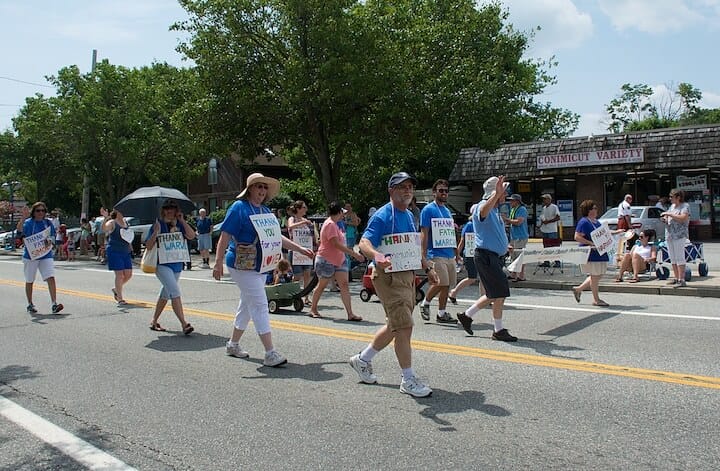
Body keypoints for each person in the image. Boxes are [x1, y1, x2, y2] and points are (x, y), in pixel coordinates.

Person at [350, 171, 438, 398]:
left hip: (407, 276)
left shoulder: (409, 215)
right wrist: (376, 256)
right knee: (405, 327)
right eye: (402, 187)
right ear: (391, 191)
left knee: (395, 325)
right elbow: (364, 242)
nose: (407, 191)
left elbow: (412, 247)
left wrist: (427, 269)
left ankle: (363, 359)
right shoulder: (382, 216)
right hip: (388, 277)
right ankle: (408, 379)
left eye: (410, 187)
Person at [214, 173, 314, 366]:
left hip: (261, 265)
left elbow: (277, 237)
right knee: (260, 304)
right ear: (249, 188)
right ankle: (270, 353)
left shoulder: (266, 211)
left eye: (264, 187)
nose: (261, 190)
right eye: (258, 186)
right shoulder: (238, 208)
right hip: (241, 264)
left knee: (247, 305)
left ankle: (233, 344)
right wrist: (218, 262)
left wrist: (300, 248)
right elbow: (225, 236)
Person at [456, 176, 517, 341]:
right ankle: (497, 330)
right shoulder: (481, 206)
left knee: (495, 292)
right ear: (494, 192)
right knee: (499, 291)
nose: (506, 194)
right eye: (503, 191)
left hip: (492, 256)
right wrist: (496, 195)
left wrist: (504, 246)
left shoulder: (496, 211)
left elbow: (493, 234)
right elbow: (482, 212)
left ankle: (468, 315)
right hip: (486, 256)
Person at [308, 201, 365, 321]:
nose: (343, 215)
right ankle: (313, 309)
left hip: (339, 259)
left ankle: (350, 314)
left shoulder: (336, 224)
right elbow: (336, 244)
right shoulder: (330, 224)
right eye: (342, 213)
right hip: (326, 260)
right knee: (322, 285)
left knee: (344, 285)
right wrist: (353, 253)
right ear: (338, 212)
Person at [145, 199, 196, 334]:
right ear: (162, 210)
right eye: (167, 208)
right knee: (175, 292)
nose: (170, 210)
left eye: (172, 207)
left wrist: (183, 221)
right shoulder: (158, 224)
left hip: (177, 264)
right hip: (162, 265)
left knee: (166, 293)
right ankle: (184, 324)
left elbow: (191, 236)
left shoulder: (179, 223)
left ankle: (154, 320)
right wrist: (156, 232)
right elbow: (148, 246)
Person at [419, 179, 459, 324]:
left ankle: (441, 313)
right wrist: (423, 254)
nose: (444, 193)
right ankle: (425, 303)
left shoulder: (447, 211)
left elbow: (450, 233)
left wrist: (457, 252)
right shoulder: (428, 210)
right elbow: (424, 232)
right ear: (434, 192)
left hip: (449, 253)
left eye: (446, 191)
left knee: (447, 285)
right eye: (441, 190)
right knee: (441, 282)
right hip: (435, 253)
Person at [17, 202, 64, 314]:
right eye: (38, 211)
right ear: (33, 212)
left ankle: (54, 303)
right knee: (30, 280)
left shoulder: (47, 223)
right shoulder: (29, 223)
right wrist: (23, 217)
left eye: (43, 211)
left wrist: (50, 243)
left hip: (45, 255)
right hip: (30, 256)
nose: (40, 213)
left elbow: (52, 236)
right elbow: (19, 231)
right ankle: (30, 304)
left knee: (50, 277)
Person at [571, 200, 612, 307]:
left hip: (599, 252)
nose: (596, 210)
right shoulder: (584, 222)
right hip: (591, 253)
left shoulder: (596, 222)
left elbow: (602, 234)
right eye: (594, 208)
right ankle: (596, 299)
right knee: (595, 275)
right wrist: (590, 243)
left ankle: (578, 289)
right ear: (589, 210)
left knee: (599, 274)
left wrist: (617, 232)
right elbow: (577, 236)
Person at [448, 205, 481, 304]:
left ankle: (484, 298)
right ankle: (454, 292)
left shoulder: (481, 224)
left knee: (484, 277)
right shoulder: (469, 225)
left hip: (481, 254)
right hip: (470, 255)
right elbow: (462, 241)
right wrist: (457, 254)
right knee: (472, 277)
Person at [287, 200, 315, 305]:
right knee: (297, 276)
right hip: (295, 252)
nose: (305, 209)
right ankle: (294, 295)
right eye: (304, 207)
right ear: (298, 209)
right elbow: (290, 227)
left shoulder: (306, 220)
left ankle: (306, 297)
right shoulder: (292, 219)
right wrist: (304, 222)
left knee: (307, 274)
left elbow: (311, 235)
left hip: (306, 250)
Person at [103, 208, 134, 305]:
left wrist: (131, 248)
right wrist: (105, 218)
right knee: (119, 275)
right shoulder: (112, 222)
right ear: (116, 212)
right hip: (114, 251)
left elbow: (128, 237)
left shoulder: (126, 223)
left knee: (128, 274)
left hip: (125, 251)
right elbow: (104, 229)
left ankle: (116, 289)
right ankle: (120, 298)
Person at [661, 189, 691, 287]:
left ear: (678, 197)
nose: (670, 199)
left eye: (672, 197)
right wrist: (665, 218)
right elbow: (669, 217)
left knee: (679, 257)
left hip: (679, 234)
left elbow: (683, 218)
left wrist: (669, 214)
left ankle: (681, 279)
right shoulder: (672, 206)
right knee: (672, 257)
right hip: (670, 234)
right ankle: (676, 277)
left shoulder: (685, 206)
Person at [502, 193, 529, 282]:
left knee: (519, 256)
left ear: (517, 201)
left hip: (521, 236)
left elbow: (519, 222)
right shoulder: (513, 209)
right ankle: (513, 274)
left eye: (512, 200)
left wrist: (507, 219)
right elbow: (511, 222)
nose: (510, 202)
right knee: (513, 255)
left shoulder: (522, 209)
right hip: (514, 236)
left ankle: (521, 275)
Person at [343, 202, 361, 281]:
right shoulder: (343, 215)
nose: (347, 209)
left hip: (351, 234)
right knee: (345, 254)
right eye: (346, 207)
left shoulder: (353, 214)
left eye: (349, 207)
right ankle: (347, 271)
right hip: (345, 235)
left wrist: (347, 223)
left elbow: (356, 223)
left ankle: (349, 272)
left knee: (348, 252)